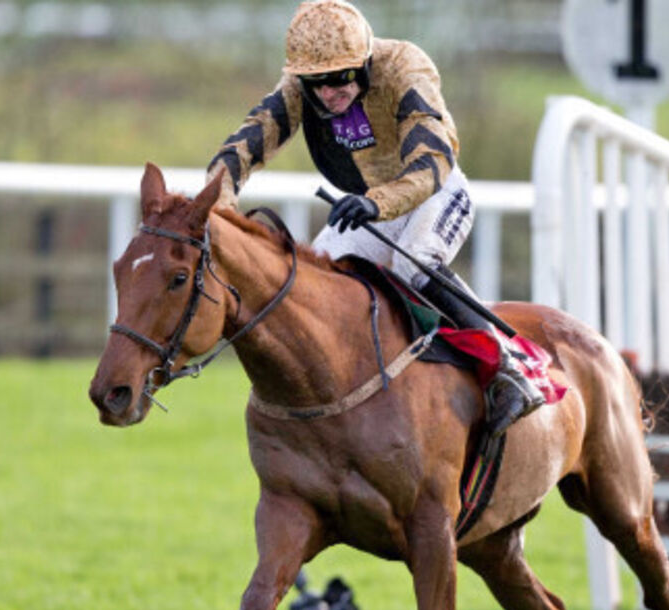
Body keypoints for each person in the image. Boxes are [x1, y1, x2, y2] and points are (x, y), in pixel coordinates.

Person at [207, 0, 543, 437]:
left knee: (414, 263)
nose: (329, 94)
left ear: (364, 62)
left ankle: (509, 369)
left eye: (340, 78)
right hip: (372, 204)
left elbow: (431, 160)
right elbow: (243, 147)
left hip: (434, 190)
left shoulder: (404, 66)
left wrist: (376, 203)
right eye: (316, 84)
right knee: (314, 283)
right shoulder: (301, 85)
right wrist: (215, 209)